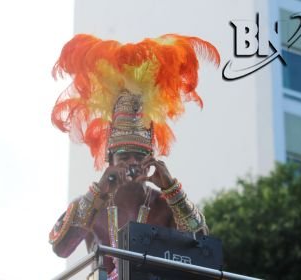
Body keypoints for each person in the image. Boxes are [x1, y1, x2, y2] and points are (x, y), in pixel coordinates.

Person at [48, 34, 220, 279]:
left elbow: (201, 242)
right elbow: (61, 247)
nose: (132, 163)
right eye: (125, 156)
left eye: (139, 156)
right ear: (110, 160)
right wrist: (99, 191)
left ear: (150, 159)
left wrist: (171, 188)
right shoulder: (92, 205)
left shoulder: (163, 204)